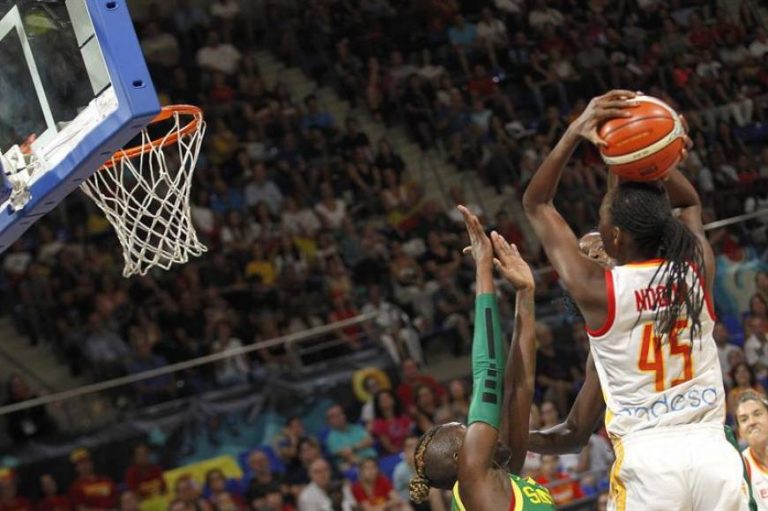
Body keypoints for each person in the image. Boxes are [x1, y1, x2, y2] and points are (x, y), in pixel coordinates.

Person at [522, 89, 749, 509]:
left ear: (614, 239)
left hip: (649, 462)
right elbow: (690, 202)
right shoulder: (697, 267)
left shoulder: (598, 291)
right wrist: (662, 152)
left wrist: (575, 131)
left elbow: (537, 203)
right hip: (714, 454)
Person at [408, 206, 554, 510]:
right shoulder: (473, 484)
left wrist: (524, 295)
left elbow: (518, 387)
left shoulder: (502, 476)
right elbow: (487, 369)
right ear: (463, 460)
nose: (485, 429)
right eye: (471, 432)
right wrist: (483, 268)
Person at [737, 390, 768, 509]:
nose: (752, 422)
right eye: (744, 419)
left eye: (757, 414)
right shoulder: (739, 469)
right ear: (740, 432)